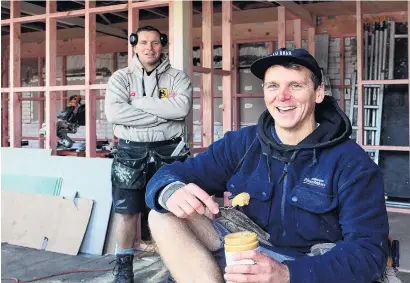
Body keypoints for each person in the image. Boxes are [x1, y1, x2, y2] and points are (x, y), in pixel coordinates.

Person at [145, 48, 391, 283]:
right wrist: (171, 190)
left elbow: (369, 253)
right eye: (273, 86)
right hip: (249, 250)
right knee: (162, 215)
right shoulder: (241, 144)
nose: (282, 96)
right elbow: (172, 173)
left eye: (295, 85)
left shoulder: (351, 163)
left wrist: (287, 274)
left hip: (309, 267)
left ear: (318, 93)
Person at [104, 25, 192, 283]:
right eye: (143, 42)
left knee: (173, 210)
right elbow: (115, 114)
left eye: (155, 42)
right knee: (126, 210)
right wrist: (162, 115)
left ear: (163, 45)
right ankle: (124, 268)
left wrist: (139, 104)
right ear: (134, 45)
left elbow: (181, 109)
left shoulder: (177, 78)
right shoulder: (120, 78)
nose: (149, 48)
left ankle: (174, 268)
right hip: (130, 151)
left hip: (169, 151)